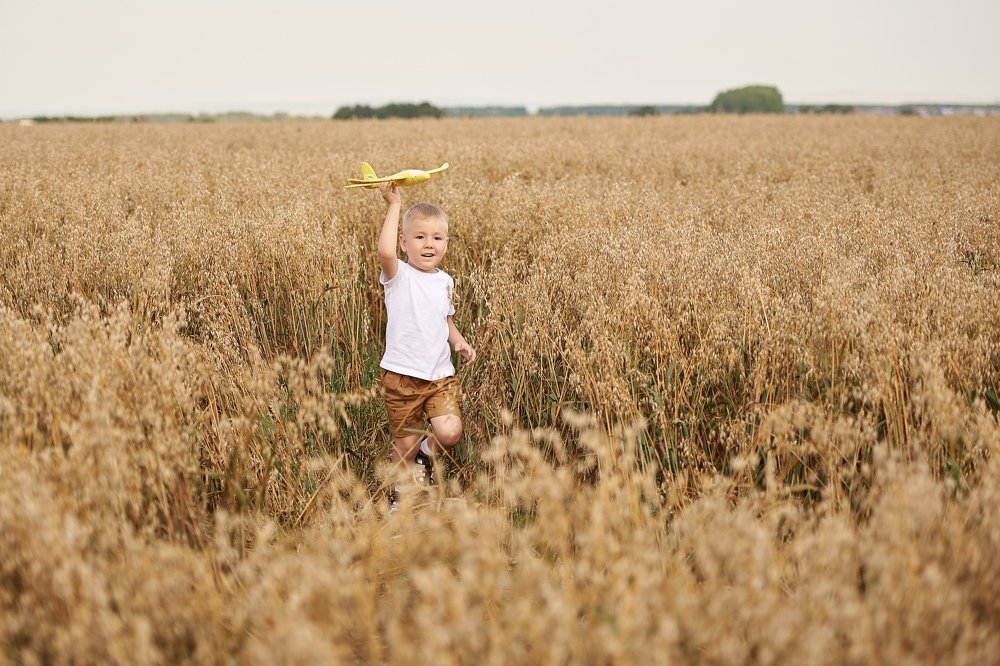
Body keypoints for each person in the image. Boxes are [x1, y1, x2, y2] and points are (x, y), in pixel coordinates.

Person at [375, 181, 476, 510]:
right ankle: (399, 495)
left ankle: (425, 455)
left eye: (436, 238)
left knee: (450, 432)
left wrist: (458, 341)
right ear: (404, 243)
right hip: (402, 377)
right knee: (403, 445)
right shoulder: (399, 276)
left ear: (446, 243)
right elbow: (384, 253)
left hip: (439, 376)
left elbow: (444, 319)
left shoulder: (445, 281)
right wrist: (394, 205)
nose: (428, 244)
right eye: (419, 237)